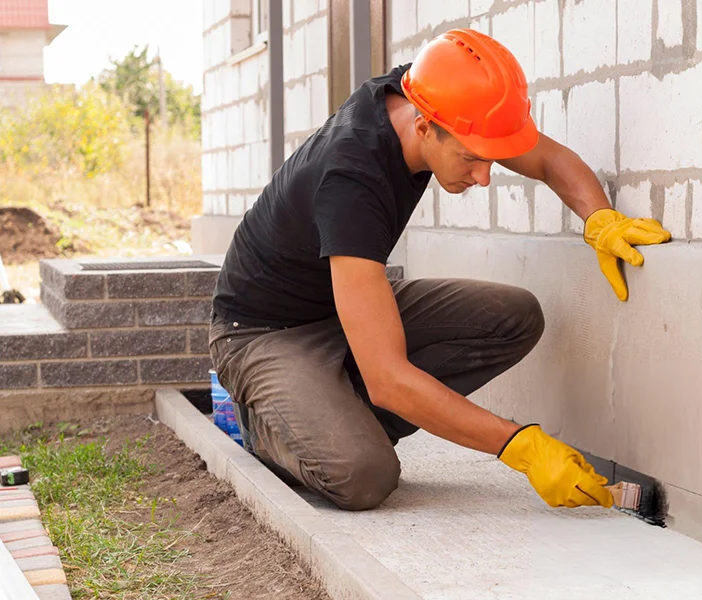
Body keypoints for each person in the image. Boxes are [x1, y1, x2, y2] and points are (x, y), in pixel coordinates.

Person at [208, 29, 670, 512]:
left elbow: (548, 158)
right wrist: (522, 447)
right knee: (362, 475)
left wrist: (599, 219)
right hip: (262, 334)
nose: (485, 176)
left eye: (490, 158)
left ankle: (339, 415)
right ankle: (267, 423)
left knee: (512, 315)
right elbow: (387, 379)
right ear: (424, 127)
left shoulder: (434, 96)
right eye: (472, 158)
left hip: (339, 309)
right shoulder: (350, 182)